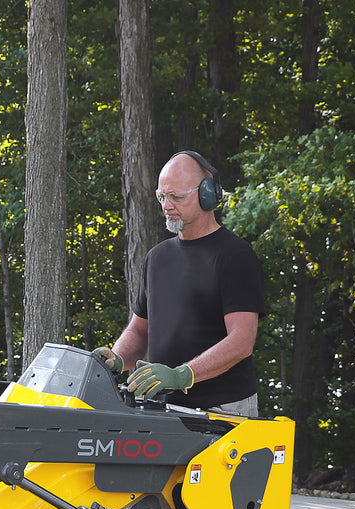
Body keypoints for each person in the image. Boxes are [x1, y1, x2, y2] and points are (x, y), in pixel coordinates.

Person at [104, 150, 266, 416]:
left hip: (223, 409)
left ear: (207, 194)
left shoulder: (235, 255)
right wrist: (117, 359)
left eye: (176, 197)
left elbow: (241, 341)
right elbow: (139, 331)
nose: (166, 206)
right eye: (161, 197)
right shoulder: (156, 257)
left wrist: (181, 376)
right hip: (161, 408)